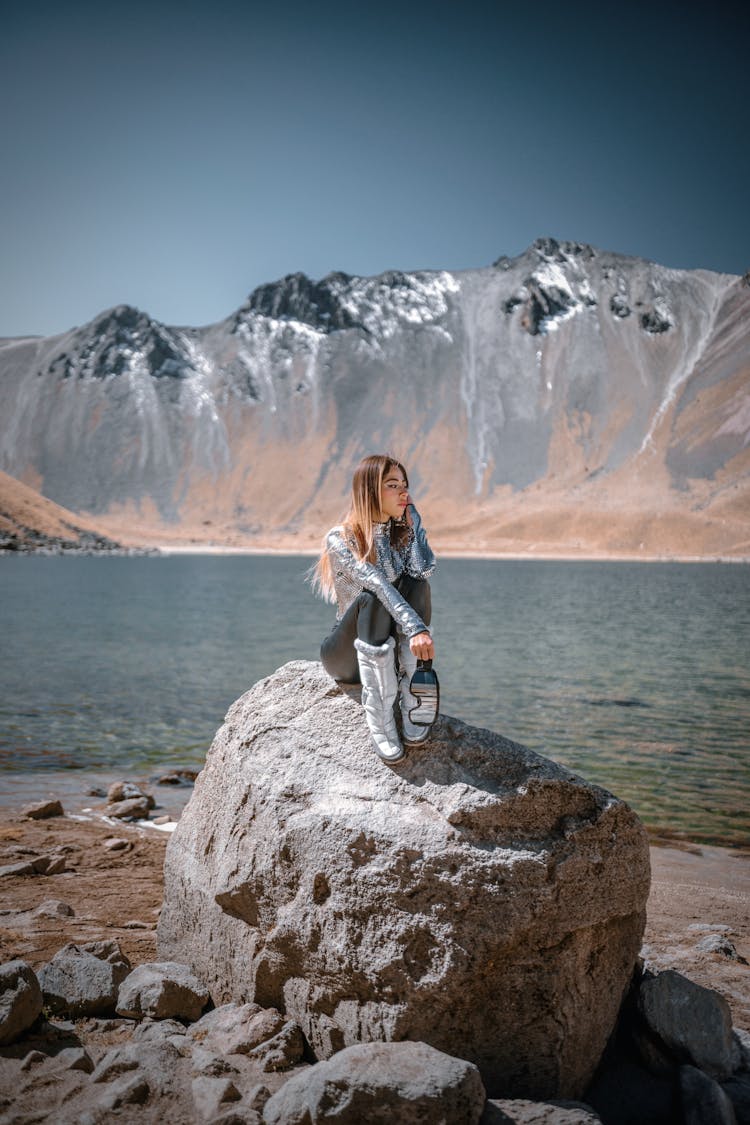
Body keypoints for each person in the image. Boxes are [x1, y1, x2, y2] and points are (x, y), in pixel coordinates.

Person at [312, 453, 438, 764]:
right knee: (373, 596)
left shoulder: (399, 536)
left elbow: (423, 573)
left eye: (405, 485)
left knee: (417, 585)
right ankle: (380, 719)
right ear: (369, 490)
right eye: (392, 485)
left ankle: (412, 699)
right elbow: (377, 583)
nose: (403, 493)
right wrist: (417, 629)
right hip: (345, 657)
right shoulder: (340, 538)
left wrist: (415, 525)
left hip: (388, 647)